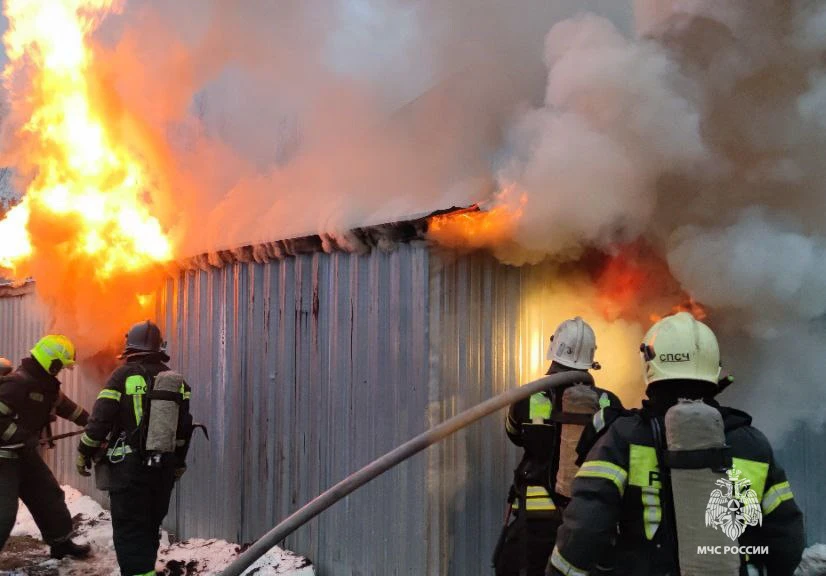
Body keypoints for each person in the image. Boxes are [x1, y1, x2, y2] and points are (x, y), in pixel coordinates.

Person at [548, 312, 806, 576]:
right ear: (712, 368)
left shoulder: (623, 439)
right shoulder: (751, 444)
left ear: (650, 365)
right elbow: (787, 542)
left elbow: (584, 532)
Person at [493, 317, 623, 576]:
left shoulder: (526, 397)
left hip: (534, 519)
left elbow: (514, 434)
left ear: (554, 350)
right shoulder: (609, 402)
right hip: (586, 516)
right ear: (591, 358)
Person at [77, 320, 194, 576]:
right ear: (158, 348)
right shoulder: (175, 382)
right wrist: (178, 463)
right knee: (150, 527)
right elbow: (185, 429)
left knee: (130, 534)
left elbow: (99, 421)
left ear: (130, 347)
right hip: (163, 470)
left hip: (129, 474)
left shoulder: (122, 376)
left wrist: (84, 452)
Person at [0, 335, 91, 558]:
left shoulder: (45, 386)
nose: (61, 371)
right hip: (4, 457)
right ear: (52, 362)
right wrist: (20, 435)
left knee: (49, 496)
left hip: (24, 453)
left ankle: (61, 544)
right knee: (4, 513)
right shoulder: (17, 384)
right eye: (61, 366)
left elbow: (69, 408)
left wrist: (92, 423)